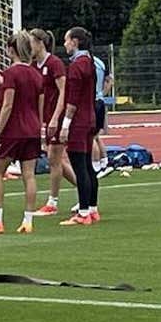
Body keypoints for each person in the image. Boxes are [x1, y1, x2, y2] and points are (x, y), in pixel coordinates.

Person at [0, 32, 43, 234]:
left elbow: (7, 105)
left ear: (11, 50)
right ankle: (28, 220)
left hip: (13, 130)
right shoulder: (36, 74)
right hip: (32, 130)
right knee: (29, 175)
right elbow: (39, 107)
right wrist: (38, 128)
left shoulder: (11, 74)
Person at [31, 29, 76, 215]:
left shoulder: (55, 63)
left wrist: (57, 117)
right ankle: (85, 189)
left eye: (31, 42)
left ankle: (53, 202)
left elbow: (63, 92)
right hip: (46, 117)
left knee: (53, 159)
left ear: (40, 43)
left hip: (57, 116)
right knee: (55, 159)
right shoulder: (35, 65)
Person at [60, 27, 100, 226]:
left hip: (79, 121)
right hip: (90, 117)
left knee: (80, 166)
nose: (65, 44)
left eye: (67, 41)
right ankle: (92, 208)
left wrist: (65, 124)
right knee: (88, 166)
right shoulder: (89, 62)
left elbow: (73, 99)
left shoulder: (77, 65)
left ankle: (83, 212)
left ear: (75, 42)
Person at [92, 51, 112, 175]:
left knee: (90, 137)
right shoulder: (100, 62)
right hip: (100, 100)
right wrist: (102, 93)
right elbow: (110, 80)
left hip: (92, 101)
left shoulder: (85, 62)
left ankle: (96, 167)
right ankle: (104, 161)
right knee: (96, 136)